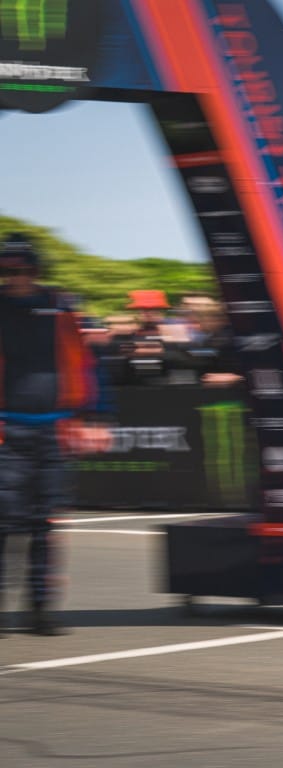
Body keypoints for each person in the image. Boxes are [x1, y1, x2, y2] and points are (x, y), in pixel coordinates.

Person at [0, 233, 104, 636]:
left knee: (45, 522)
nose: (14, 277)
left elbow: (89, 365)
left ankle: (41, 609)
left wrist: (97, 415)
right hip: (7, 431)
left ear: (37, 269)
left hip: (55, 431)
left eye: (22, 269)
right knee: (5, 521)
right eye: (7, 270)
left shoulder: (61, 307)